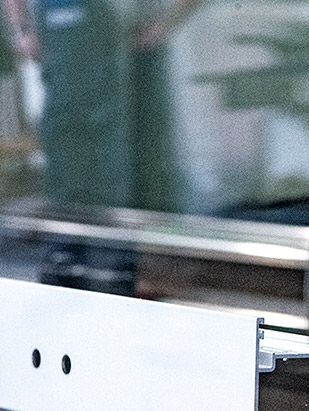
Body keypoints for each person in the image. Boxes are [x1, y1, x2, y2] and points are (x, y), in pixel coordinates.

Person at [2, 0, 201, 294]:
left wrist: (165, 23)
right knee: (71, 161)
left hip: (124, 53)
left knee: (116, 169)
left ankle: (114, 274)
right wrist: (21, 29)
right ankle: (71, 272)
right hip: (68, 58)